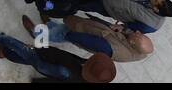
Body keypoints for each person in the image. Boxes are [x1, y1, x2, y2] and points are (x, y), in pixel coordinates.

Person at [0, 18, 116, 83]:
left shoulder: (69, 74)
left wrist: (38, 50)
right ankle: (6, 53)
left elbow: (47, 68)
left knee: (10, 41)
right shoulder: (89, 70)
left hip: (43, 60)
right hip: (47, 58)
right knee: (25, 59)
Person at [21, 14, 154, 63]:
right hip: (95, 31)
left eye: (138, 35)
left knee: (62, 33)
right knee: (62, 28)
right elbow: (129, 37)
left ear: (132, 43)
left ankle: (38, 34)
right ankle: (50, 25)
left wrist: (71, 35)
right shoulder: (139, 47)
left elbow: (86, 40)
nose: (137, 32)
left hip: (81, 33)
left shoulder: (111, 49)